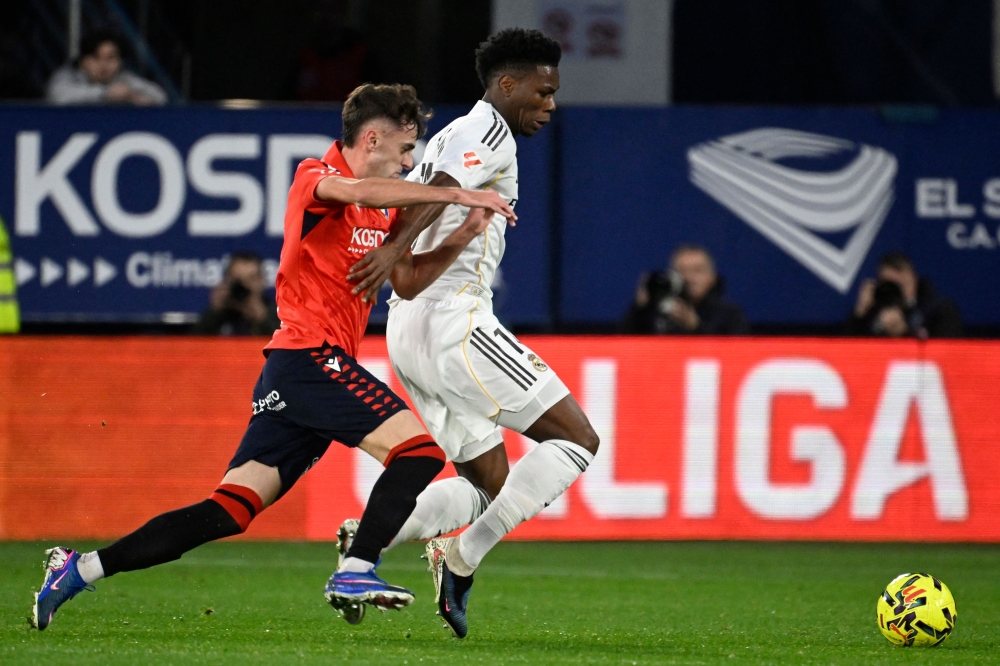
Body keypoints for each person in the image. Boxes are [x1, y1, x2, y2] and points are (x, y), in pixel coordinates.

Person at [30, 83, 517, 631]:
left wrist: (461, 236)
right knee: (418, 454)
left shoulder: (375, 212)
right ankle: (357, 566)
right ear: (373, 138)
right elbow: (362, 192)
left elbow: (403, 280)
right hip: (309, 357)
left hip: (294, 374)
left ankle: (79, 568)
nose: (411, 162)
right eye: (406, 150)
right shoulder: (315, 177)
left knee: (230, 509)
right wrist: (457, 195)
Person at [337, 28, 599, 639]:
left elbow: (421, 193)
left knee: (489, 485)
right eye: (543, 91)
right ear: (508, 85)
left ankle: (377, 532)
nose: (551, 105)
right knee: (576, 439)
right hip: (457, 322)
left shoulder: (455, 133)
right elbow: (434, 192)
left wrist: (399, 262)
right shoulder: (488, 132)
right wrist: (395, 253)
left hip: (412, 330)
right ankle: (460, 560)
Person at [623, 244, 748, 335]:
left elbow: (734, 355)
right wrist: (639, 307)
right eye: (681, 270)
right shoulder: (656, 311)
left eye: (697, 270)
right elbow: (620, 346)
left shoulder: (730, 314)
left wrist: (695, 327)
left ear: (712, 278)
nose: (688, 278)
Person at [845, 252, 962, 338]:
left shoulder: (940, 309)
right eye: (891, 284)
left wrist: (904, 333)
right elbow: (844, 351)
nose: (898, 290)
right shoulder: (873, 311)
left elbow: (946, 353)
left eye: (902, 283)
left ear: (914, 279)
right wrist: (859, 313)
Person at [46, 30, 167, 106]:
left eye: (110, 58)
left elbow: (160, 97)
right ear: (83, 61)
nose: (104, 65)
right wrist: (105, 93)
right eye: (96, 57)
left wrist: (130, 95)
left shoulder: (124, 78)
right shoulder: (68, 74)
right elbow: (58, 96)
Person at [193, 251, 280, 336]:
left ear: (261, 280)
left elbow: (284, 346)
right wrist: (214, 312)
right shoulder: (220, 313)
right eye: (237, 280)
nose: (244, 285)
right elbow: (191, 345)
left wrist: (262, 318)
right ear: (227, 280)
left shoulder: (277, 313)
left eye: (251, 279)